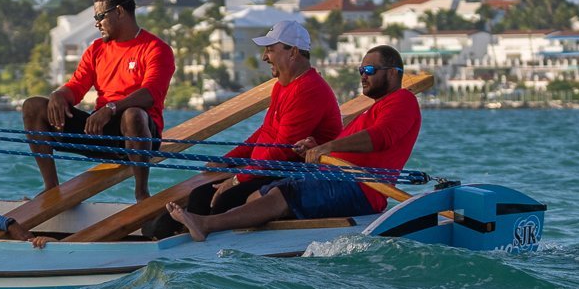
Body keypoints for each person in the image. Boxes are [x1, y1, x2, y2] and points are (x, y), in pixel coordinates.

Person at [166, 45, 421, 241]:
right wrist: (315, 147)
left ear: (392, 73)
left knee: (281, 195)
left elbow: (381, 137)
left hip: (362, 189)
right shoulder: (373, 109)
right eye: (360, 71)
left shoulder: (403, 101)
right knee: (257, 195)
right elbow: (343, 145)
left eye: (369, 71)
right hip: (334, 178)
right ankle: (232, 236)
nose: (363, 76)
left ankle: (206, 225)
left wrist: (328, 147)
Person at [150, 20, 341, 237]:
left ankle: (194, 237)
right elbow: (264, 132)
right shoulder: (283, 86)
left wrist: (237, 179)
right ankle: (175, 232)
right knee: (199, 195)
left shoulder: (308, 89)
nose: (264, 57)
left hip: (289, 173)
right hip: (265, 170)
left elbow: (281, 151)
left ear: (293, 52)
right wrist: (228, 160)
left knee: (223, 197)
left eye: (270, 49)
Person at [20, 0, 175, 200]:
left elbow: (150, 94)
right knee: (33, 106)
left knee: (133, 114)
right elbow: (77, 86)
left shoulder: (156, 48)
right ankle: (51, 188)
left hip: (139, 134)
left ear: (119, 12)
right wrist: (59, 95)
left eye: (100, 16)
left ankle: (141, 193)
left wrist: (111, 108)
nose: (96, 23)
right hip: (100, 130)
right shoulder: (96, 49)